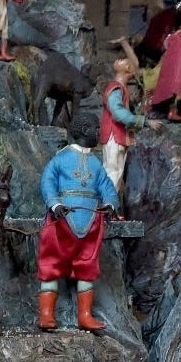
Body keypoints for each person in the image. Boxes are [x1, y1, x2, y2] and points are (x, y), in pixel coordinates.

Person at [37, 115, 120, 333]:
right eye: (95, 128)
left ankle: (84, 315)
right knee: (51, 263)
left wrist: (110, 203)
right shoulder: (60, 159)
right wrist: (55, 204)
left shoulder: (96, 163)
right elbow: (47, 181)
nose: (99, 133)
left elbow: (107, 187)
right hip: (60, 221)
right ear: (83, 131)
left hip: (91, 221)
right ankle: (46, 313)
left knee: (87, 265)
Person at [100, 58, 163, 192]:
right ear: (128, 69)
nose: (136, 70)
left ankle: (110, 202)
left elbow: (126, 110)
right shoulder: (116, 89)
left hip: (117, 135)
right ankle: (107, 203)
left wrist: (143, 98)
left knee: (116, 174)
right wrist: (146, 122)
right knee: (113, 173)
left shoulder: (120, 88)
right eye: (134, 67)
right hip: (114, 135)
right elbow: (119, 114)